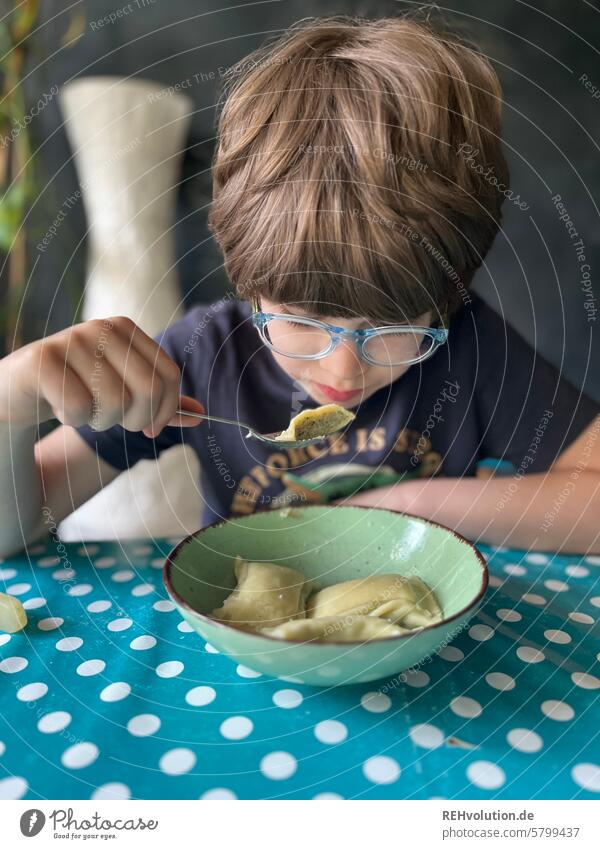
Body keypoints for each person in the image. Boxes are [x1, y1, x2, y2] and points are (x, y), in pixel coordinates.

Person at [1, 16, 598, 557]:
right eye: (301, 320)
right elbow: (15, 531)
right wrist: (10, 405)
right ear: (251, 283)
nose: (340, 373)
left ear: (444, 298)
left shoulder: (468, 346)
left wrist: (408, 504)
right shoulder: (205, 354)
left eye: (391, 330)